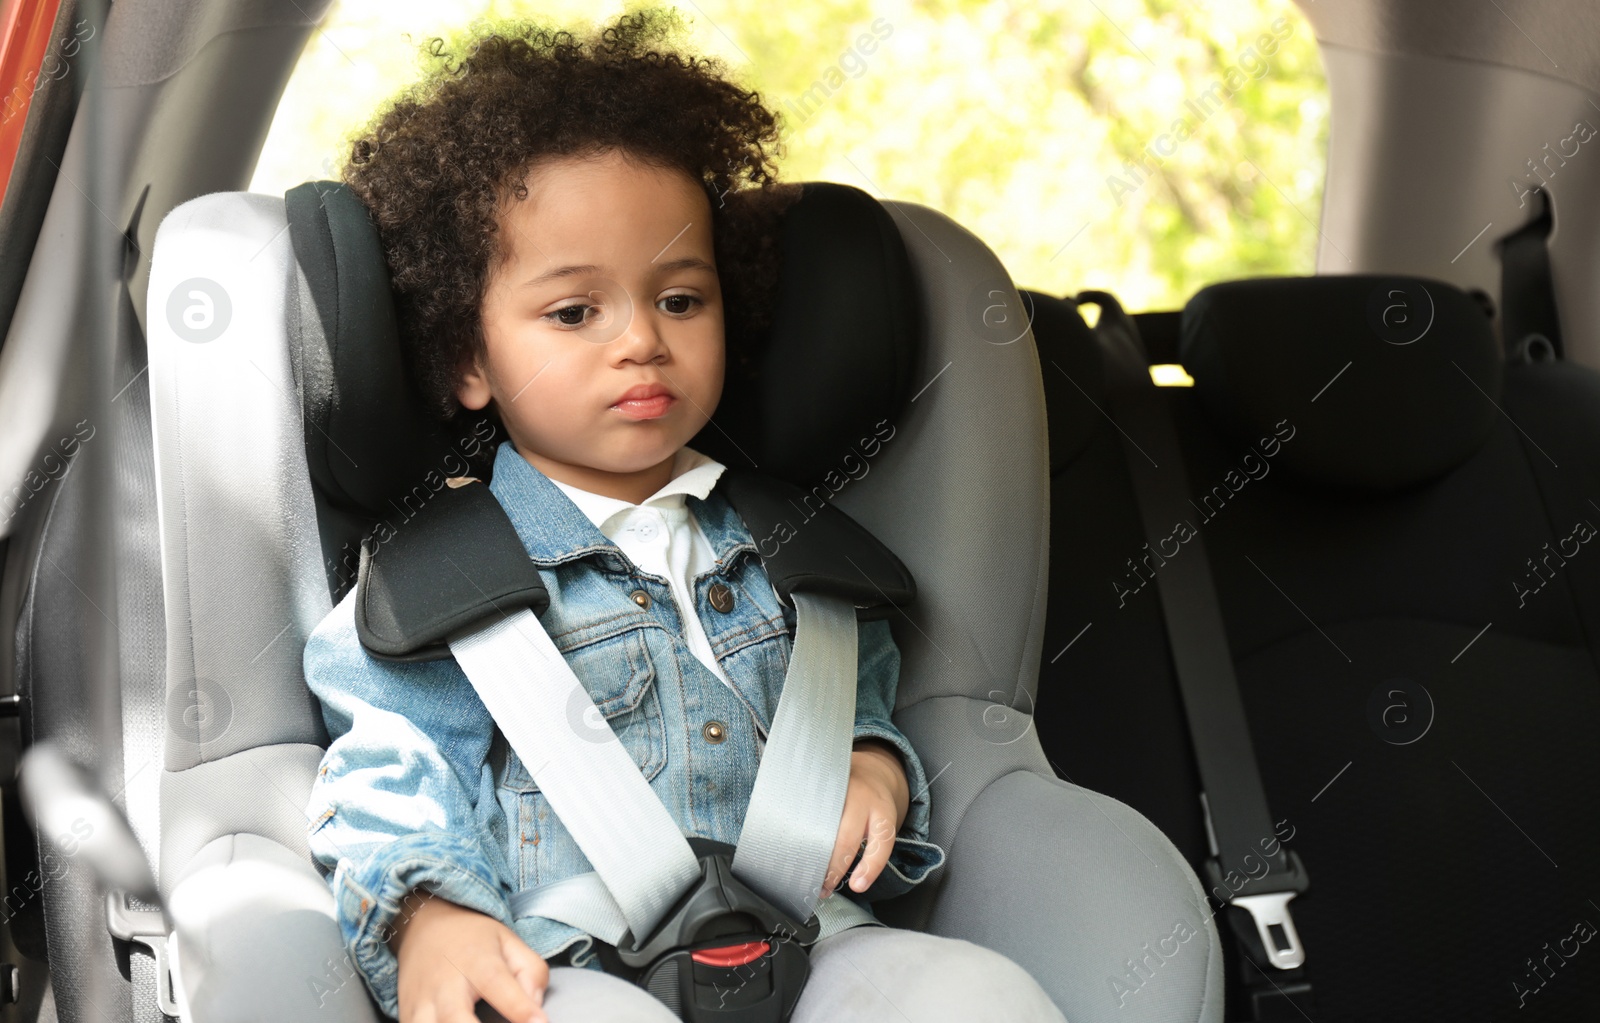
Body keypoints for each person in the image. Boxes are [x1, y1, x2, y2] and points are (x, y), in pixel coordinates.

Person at [302, 10, 1067, 1023]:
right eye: (575, 313)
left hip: (806, 940)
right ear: (468, 360)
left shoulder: (794, 550)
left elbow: (856, 692)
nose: (640, 343)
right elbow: (393, 766)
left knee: (976, 995)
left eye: (679, 300)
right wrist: (428, 914)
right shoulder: (439, 581)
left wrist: (875, 768)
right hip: (565, 961)